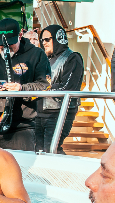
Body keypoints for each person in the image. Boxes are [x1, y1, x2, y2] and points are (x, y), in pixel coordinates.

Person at [0, 18, 50, 151]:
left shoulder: (36, 55)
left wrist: (22, 88)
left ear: (20, 35)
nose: (5, 48)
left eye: (10, 44)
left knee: (21, 167)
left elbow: (45, 85)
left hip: (22, 126)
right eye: (1, 44)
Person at [35, 25, 85, 153]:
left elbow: (68, 87)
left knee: (51, 150)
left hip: (60, 112)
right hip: (40, 112)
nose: (43, 43)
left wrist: (42, 88)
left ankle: (61, 173)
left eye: (47, 39)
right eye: (42, 40)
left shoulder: (73, 58)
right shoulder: (45, 59)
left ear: (58, 38)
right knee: (38, 151)